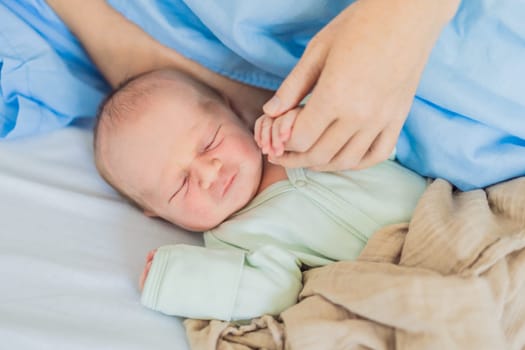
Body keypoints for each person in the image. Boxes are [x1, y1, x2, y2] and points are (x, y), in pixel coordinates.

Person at [94, 67, 428, 321]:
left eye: (210, 143)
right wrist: (179, 278)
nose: (210, 173)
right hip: (395, 285)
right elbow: (274, 293)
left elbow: (377, 126)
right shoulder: (233, 241)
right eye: (181, 185)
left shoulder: (297, 133)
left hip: (445, 218)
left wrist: (313, 116)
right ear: (158, 213)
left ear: (233, 111)